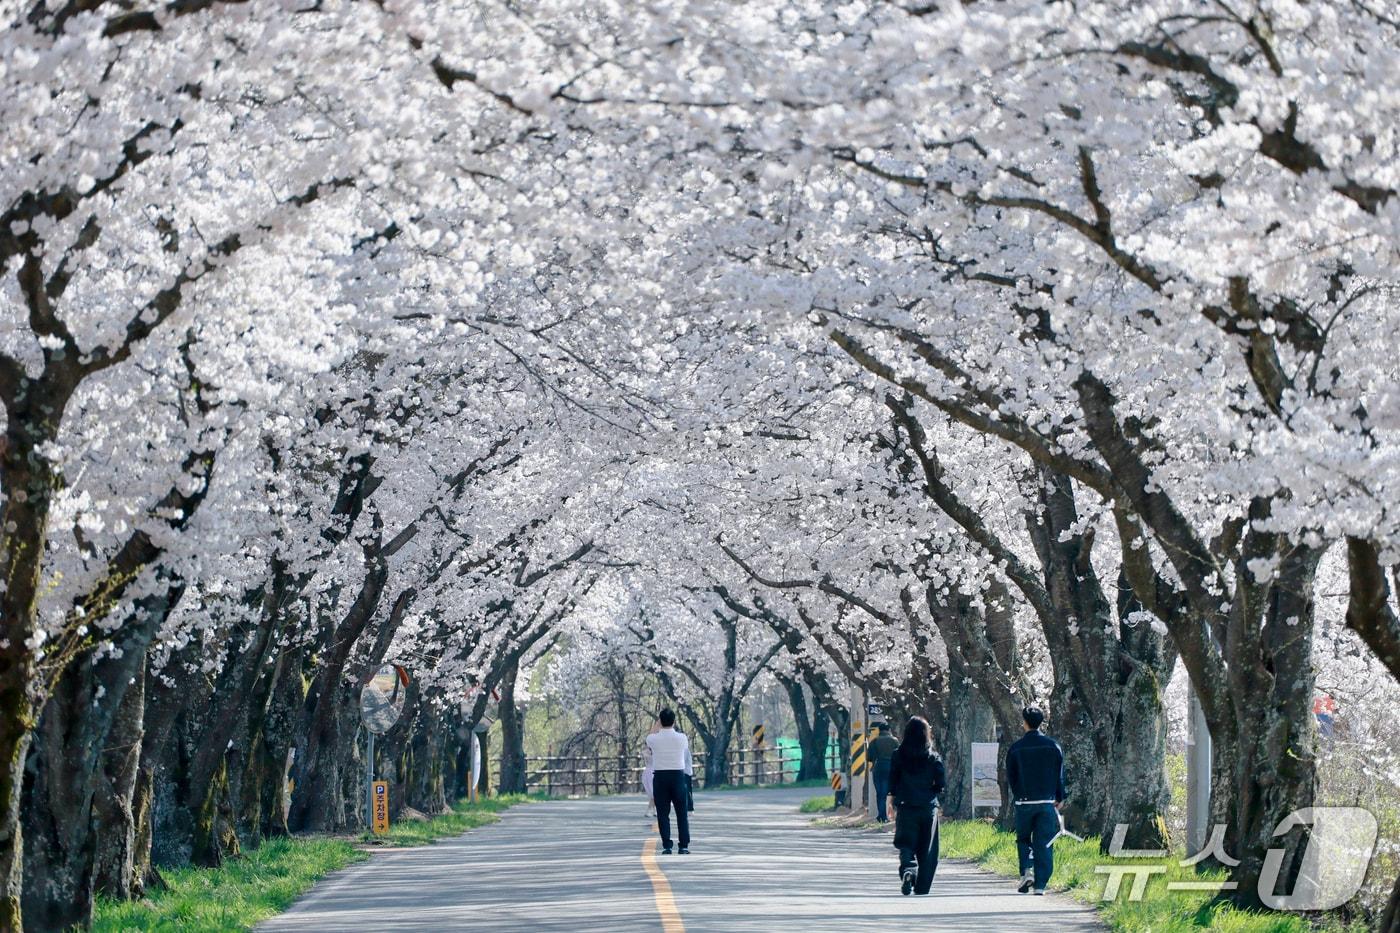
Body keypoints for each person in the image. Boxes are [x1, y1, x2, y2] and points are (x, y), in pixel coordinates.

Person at [1006, 705, 1066, 895]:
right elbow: (1059, 774)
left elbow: (1011, 777)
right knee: (1044, 841)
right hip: (1047, 802)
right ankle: (1040, 885)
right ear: (1042, 722)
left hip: (1024, 802)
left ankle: (1027, 870)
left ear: (1024, 723)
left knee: (1024, 838)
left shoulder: (1015, 749)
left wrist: (1018, 796)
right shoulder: (1053, 746)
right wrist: (1060, 796)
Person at [887, 715, 945, 896]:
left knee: (906, 843)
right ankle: (922, 888)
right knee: (928, 849)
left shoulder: (898, 755)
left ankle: (908, 871)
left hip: (905, 805)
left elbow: (892, 780)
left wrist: (891, 799)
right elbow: (941, 782)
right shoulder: (933, 757)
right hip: (928, 807)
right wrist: (933, 791)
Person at [646, 708, 693, 854]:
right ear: (674, 721)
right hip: (678, 776)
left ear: (660, 721)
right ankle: (683, 845)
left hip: (660, 777)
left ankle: (667, 844)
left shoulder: (653, 739)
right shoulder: (682, 738)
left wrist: (657, 724)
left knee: (662, 813)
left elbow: (649, 737)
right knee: (681, 813)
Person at [868, 722, 899, 823]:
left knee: (880, 794)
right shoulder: (894, 741)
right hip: (892, 768)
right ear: (889, 730)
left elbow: (869, 757)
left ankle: (882, 816)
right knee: (894, 793)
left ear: (879, 730)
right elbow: (899, 755)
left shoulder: (874, 741)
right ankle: (895, 815)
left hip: (878, 767)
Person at [642, 720, 658, 818]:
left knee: (654, 793)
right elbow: (647, 757)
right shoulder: (646, 751)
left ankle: (651, 809)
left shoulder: (656, 749)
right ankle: (652, 809)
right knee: (652, 794)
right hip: (649, 773)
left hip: (654, 772)